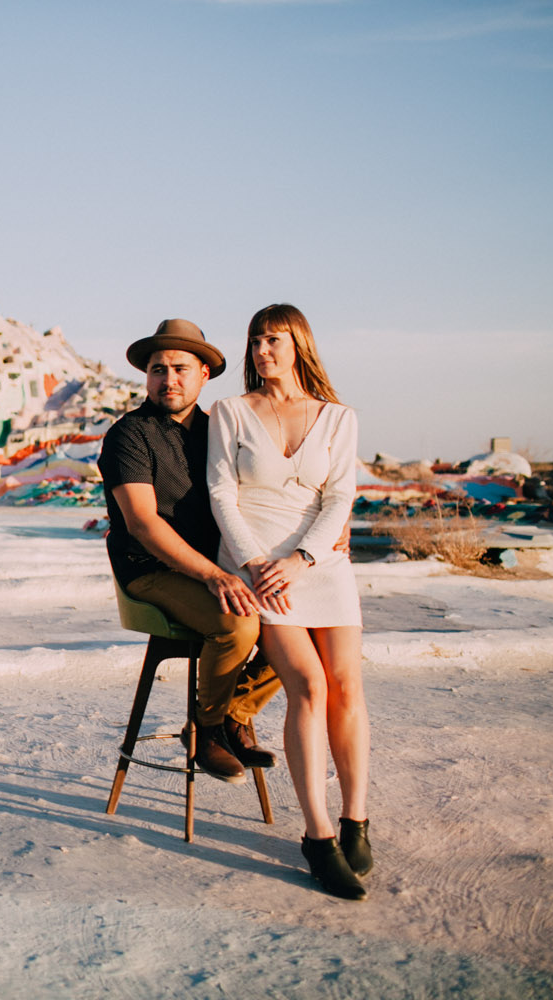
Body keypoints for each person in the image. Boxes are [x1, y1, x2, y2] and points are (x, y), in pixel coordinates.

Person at [207, 303, 370, 901]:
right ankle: (319, 835)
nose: (261, 351)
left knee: (347, 686)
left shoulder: (337, 417)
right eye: (255, 341)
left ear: (299, 343)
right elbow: (222, 492)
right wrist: (255, 564)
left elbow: (340, 496)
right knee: (308, 685)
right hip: (257, 570)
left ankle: (356, 818)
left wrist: (302, 558)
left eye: (273, 340)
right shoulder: (231, 412)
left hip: (319, 565)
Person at [98, 319, 281, 786]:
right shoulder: (129, 435)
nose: (168, 379)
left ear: (204, 373)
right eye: (158, 369)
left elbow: (267, 491)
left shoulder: (220, 429)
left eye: (180, 368)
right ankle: (210, 730)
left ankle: (226, 715)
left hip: (214, 565)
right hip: (149, 570)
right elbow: (142, 522)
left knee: (303, 621)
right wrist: (214, 577)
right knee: (239, 625)